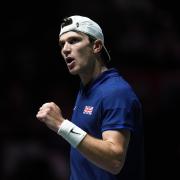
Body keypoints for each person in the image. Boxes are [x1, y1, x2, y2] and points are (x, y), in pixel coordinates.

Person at [36, 15, 144, 180]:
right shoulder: (86, 89)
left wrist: (61, 125)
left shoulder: (116, 92)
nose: (65, 49)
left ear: (96, 46)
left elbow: (115, 161)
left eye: (73, 41)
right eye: (62, 44)